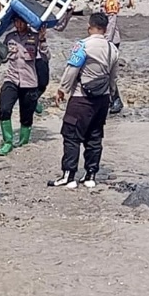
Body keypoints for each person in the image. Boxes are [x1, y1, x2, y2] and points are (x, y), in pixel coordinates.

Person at [50, 13, 119, 189]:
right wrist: (111, 95)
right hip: (102, 99)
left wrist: (62, 89)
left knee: (71, 135)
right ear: (104, 28)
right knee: (95, 137)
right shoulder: (113, 49)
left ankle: (69, 176)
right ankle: (90, 175)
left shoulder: (83, 45)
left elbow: (72, 69)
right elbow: (113, 77)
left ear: (90, 26)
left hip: (82, 98)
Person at [0, 16, 43, 156]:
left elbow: (46, 56)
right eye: (16, 21)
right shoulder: (10, 37)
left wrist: (43, 40)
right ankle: (8, 142)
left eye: (21, 21)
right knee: (4, 108)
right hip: (12, 79)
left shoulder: (35, 38)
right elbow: (4, 57)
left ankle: (23, 140)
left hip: (29, 82)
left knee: (26, 115)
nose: (19, 24)